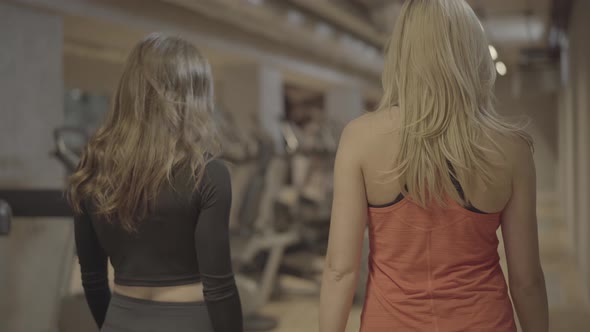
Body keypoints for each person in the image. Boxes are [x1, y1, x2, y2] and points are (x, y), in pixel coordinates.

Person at [319, 1, 549, 331]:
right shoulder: (512, 149)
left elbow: (339, 271)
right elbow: (527, 282)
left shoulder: (359, 139)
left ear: (403, 53)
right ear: (473, 53)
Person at [67, 33, 243, 332]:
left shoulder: (93, 166)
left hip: (119, 319)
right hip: (191, 322)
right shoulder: (209, 173)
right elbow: (219, 288)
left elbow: (93, 279)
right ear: (195, 97)